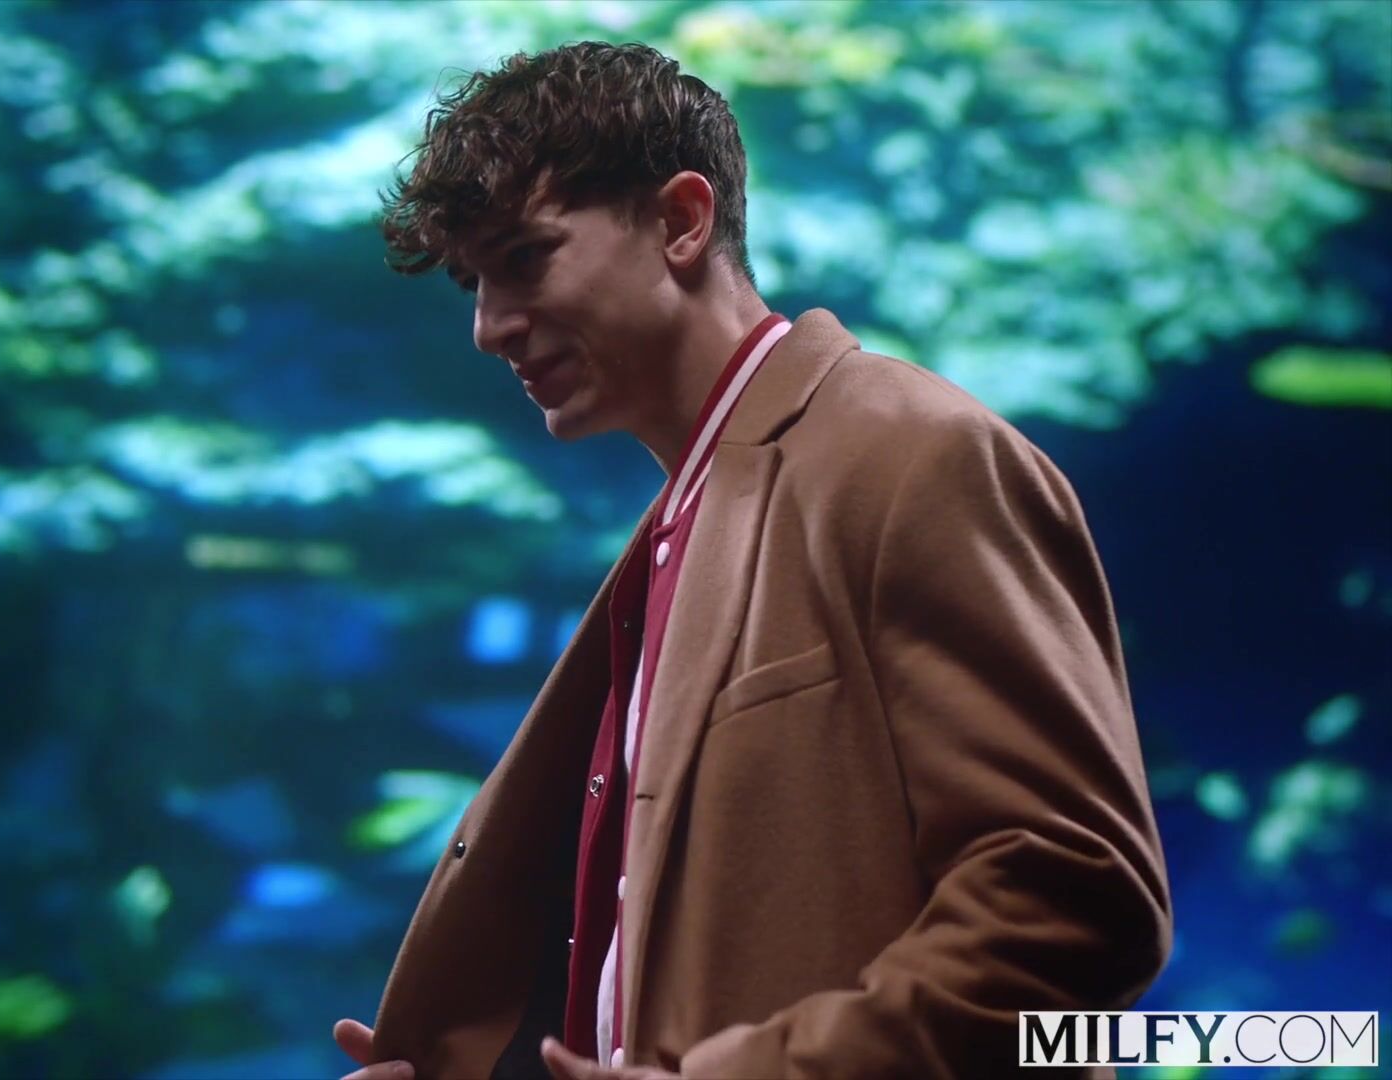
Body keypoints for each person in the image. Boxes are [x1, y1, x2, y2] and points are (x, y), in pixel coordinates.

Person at [334, 41, 1171, 1080]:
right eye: (473, 282)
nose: (487, 328)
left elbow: (1075, 895)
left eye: (525, 258)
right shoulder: (681, 527)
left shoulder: (913, 455)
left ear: (682, 221)